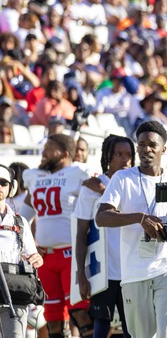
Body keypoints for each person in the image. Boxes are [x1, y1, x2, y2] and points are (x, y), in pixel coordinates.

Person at [95, 121, 167, 338]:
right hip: (135, 272)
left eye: (152, 145)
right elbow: (102, 217)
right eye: (142, 144)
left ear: (163, 148)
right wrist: (140, 218)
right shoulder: (122, 178)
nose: (146, 149)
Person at [22, 134, 93, 338]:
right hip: (46, 257)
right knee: (52, 317)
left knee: (80, 312)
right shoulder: (36, 176)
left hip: (71, 254)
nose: (43, 153)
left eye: (49, 149)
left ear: (64, 154)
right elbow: (24, 217)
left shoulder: (78, 172)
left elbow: (98, 200)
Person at [73, 134, 134, 338]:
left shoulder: (136, 183)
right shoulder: (90, 188)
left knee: (131, 329)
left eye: (128, 154)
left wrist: (103, 190)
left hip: (132, 270)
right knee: (100, 327)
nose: (125, 159)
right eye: (119, 154)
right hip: (103, 272)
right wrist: (81, 273)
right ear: (108, 156)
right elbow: (81, 233)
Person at [0, 164, 43, 338]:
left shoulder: (20, 222)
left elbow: (32, 255)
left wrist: (37, 259)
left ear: (11, 188)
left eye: (3, 183)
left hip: (14, 292)